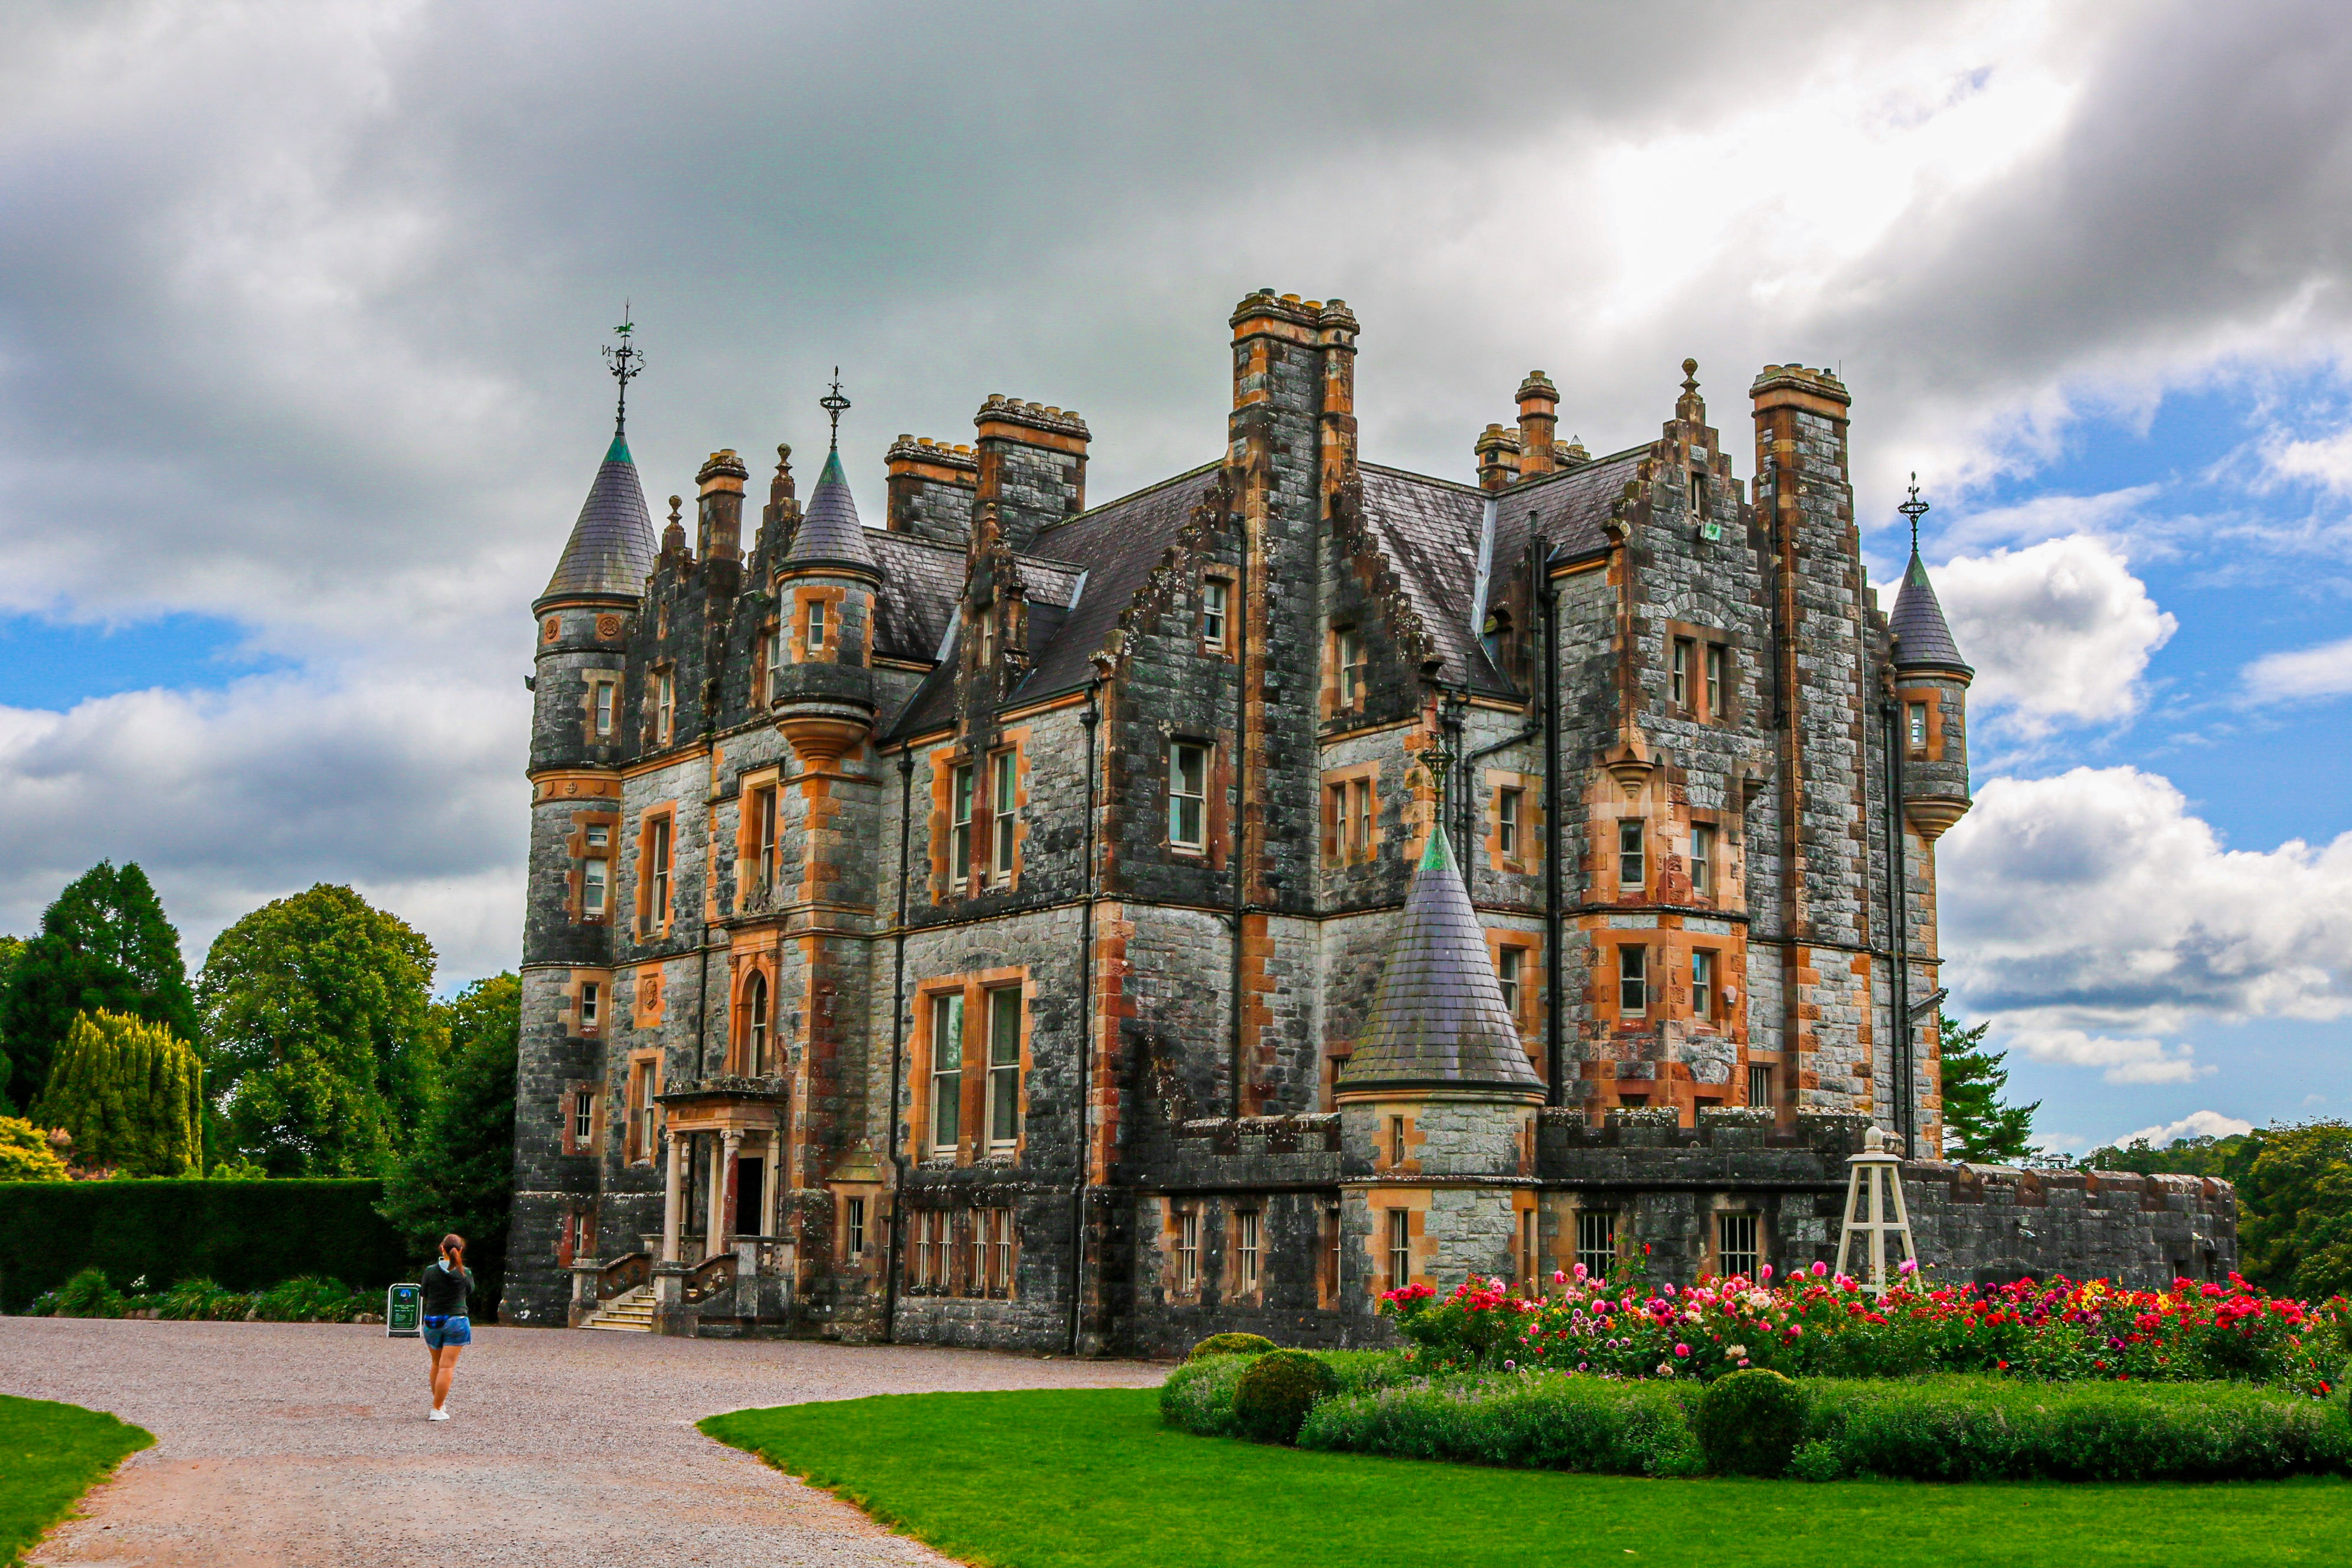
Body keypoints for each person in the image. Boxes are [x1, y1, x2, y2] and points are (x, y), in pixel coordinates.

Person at [419, 1233, 474, 1421]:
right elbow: (470, 1291)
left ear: (442, 1248)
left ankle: (439, 1405)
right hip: (456, 1320)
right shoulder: (464, 1272)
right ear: (460, 1250)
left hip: (433, 1320)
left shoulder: (430, 1271)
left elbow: (423, 1292)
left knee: (436, 1364)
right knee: (447, 1367)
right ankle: (436, 1409)